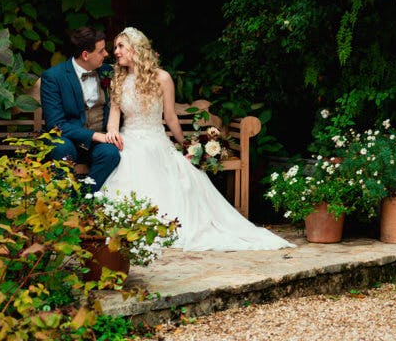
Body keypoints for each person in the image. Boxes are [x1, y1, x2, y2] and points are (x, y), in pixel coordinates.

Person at [101, 27, 294, 251]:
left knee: (175, 170)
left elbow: (171, 117)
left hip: (156, 139)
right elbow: (114, 116)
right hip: (129, 139)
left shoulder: (162, 78)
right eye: (116, 47)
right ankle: (128, 225)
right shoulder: (118, 79)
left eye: (120, 46)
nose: (116, 51)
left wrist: (185, 145)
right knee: (127, 161)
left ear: (136, 48)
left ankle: (162, 224)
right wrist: (112, 131)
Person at [40, 27, 121, 190]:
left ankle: (85, 199)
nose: (106, 54)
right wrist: (95, 135)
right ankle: (62, 197)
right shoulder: (53, 77)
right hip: (70, 140)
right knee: (60, 147)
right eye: (101, 51)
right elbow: (55, 125)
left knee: (111, 154)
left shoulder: (108, 71)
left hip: (99, 143)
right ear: (85, 55)